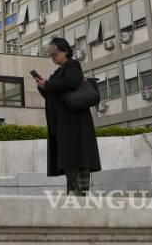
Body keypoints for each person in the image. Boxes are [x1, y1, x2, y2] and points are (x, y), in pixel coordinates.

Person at [35, 37, 101, 196]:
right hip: (63, 125)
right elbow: (54, 94)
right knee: (69, 161)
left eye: (55, 54)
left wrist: (48, 85)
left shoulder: (73, 65)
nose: (53, 58)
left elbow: (71, 83)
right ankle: (73, 192)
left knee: (77, 159)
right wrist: (43, 86)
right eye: (50, 56)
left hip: (75, 124)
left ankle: (79, 194)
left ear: (65, 51)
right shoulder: (57, 72)